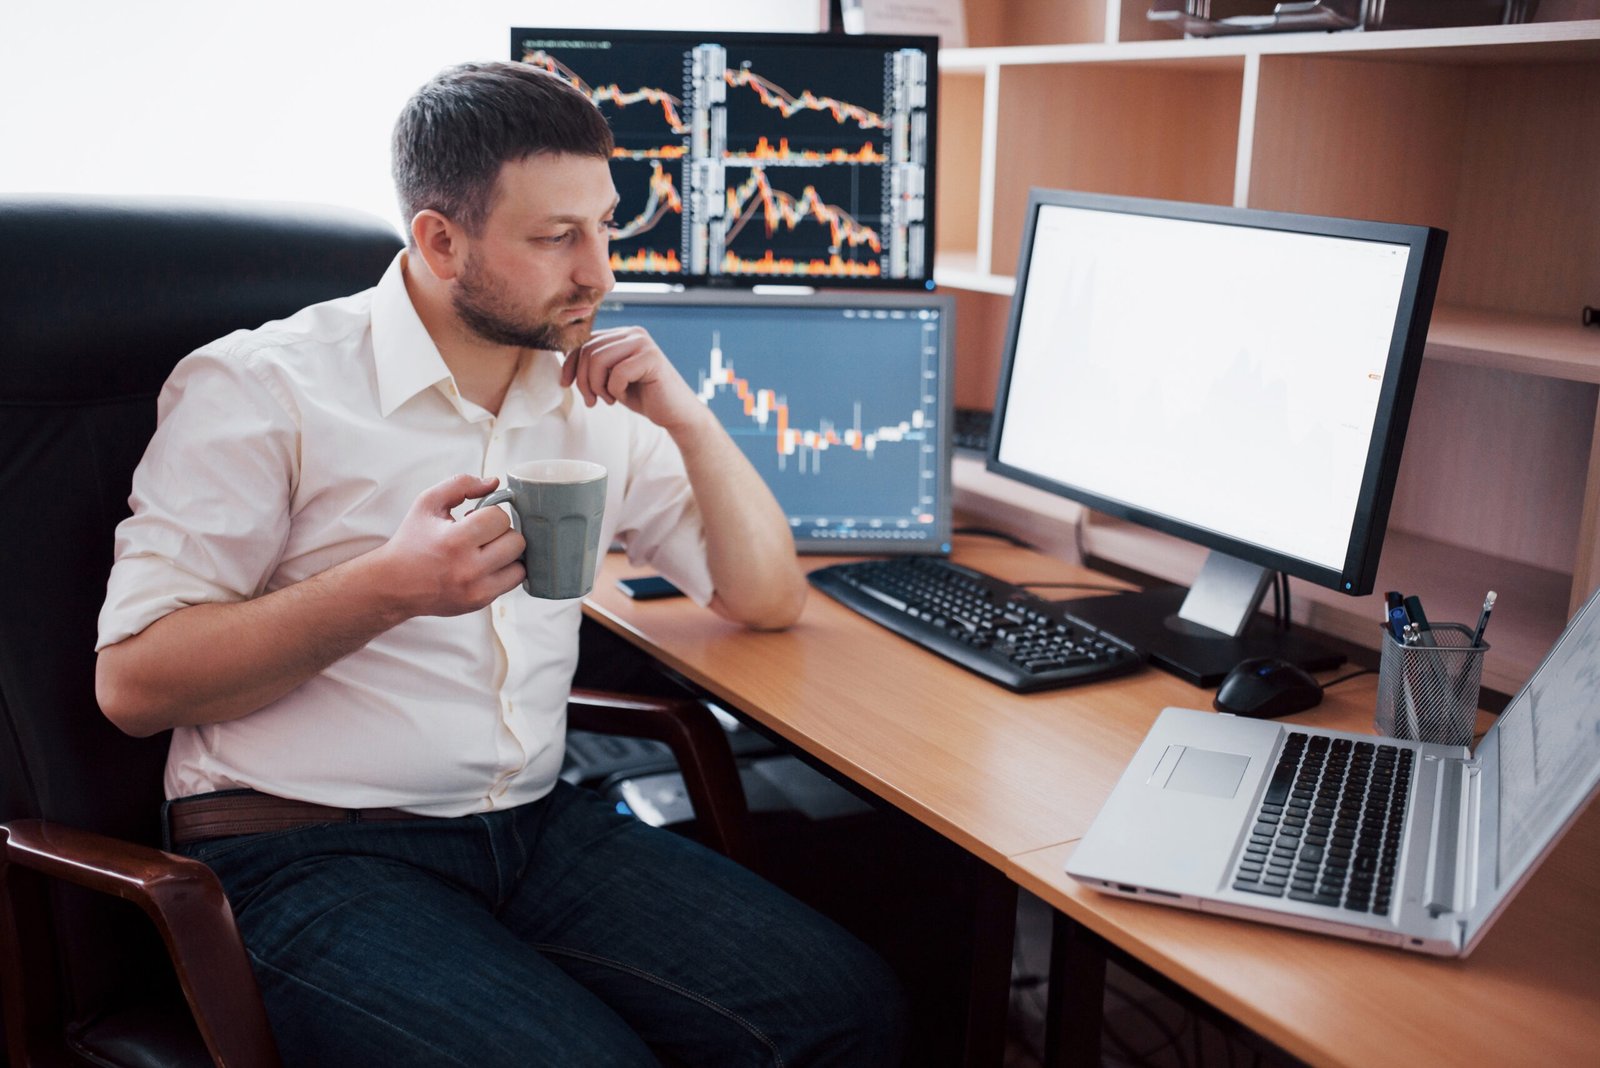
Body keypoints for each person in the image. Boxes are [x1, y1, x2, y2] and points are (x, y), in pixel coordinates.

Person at [94, 60, 906, 1067]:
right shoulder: (262, 389)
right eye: (556, 237)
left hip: (530, 827)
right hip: (302, 850)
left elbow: (765, 597)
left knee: (849, 1007)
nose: (599, 271)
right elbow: (133, 684)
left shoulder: (583, 391)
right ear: (441, 240)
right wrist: (391, 588)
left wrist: (690, 419)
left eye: (605, 226)